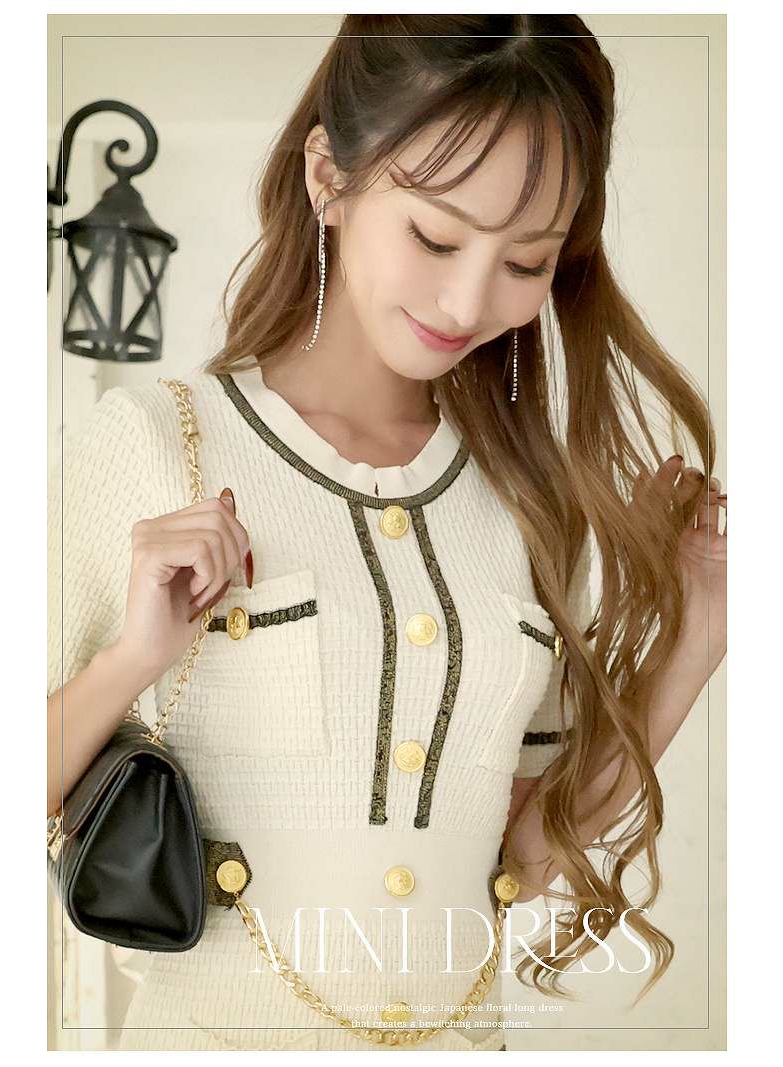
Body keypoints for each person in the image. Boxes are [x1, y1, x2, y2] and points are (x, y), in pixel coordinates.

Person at [47, 15, 727, 1053]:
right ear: (329, 174)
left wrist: (698, 634)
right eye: (436, 237)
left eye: (526, 261)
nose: (468, 299)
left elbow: (526, 850)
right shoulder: (152, 445)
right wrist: (132, 658)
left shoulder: (527, 498)